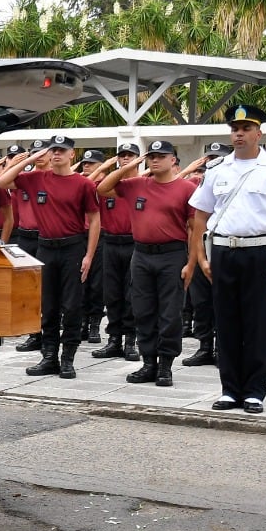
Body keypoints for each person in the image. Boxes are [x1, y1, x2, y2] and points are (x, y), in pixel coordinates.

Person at [186, 104, 266, 414]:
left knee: (258, 324)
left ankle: (254, 391)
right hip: (224, 251)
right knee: (226, 323)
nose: (239, 133)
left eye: (246, 128)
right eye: (235, 129)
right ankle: (230, 389)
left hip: (260, 252)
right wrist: (201, 256)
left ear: (258, 133)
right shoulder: (217, 170)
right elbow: (200, 216)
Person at [0, 134, 100, 379]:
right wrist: (30, 158)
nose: (56, 154)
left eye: (61, 151)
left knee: (72, 306)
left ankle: (68, 359)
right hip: (45, 248)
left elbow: (95, 220)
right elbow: (3, 182)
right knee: (48, 306)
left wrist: (89, 255)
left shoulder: (83, 184)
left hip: (72, 247)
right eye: (53, 150)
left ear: (71, 154)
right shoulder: (36, 178)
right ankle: (49, 356)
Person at [99, 140, 198, 386]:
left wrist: (192, 263)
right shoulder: (136, 184)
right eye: (151, 156)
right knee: (142, 310)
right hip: (141, 254)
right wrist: (129, 165)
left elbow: (195, 229)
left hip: (172, 254)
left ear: (173, 160)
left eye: (161, 156)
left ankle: (166, 365)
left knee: (170, 312)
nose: (154, 160)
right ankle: (149, 363)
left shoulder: (185, 188)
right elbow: (103, 188)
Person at [88, 143, 141, 360]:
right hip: (110, 243)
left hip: (134, 244)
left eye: (130, 156)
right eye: (122, 156)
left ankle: (130, 340)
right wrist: (108, 167)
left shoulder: (143, 184)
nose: (125, 159)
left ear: (138, 158)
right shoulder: (108, 186)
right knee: (111, 293)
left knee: (131, 295)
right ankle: (113, 340)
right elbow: (88, 185)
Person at [180, 141, 228, 366]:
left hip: (224, 247)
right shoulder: (198, 185)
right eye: (208, 159)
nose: (212, 163)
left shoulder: (232, 184)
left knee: (224, 300)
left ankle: (223, 349)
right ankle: (205, 346)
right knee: (201, 301)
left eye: (217, 158)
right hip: (200, 247)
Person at [6, 140, 47, 352]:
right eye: (34, 152)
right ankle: (34, 333)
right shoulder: (27, 178)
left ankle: (48, 333)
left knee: (46, 289)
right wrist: (21, 162)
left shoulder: (52, 178)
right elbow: (2, 182)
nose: (38, 155)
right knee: (28, 289)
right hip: (25, 237)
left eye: (43, 151)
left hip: (46, 238)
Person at [77, 149, 107, 342]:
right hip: (79, 235)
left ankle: (94, 323)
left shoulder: (104, 185)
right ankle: (82, 322)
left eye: (91, 164)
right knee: (80, 281)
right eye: (84, 163)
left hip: (100, 236)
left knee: (97, 283)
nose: (86, 166)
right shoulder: (79, 184)